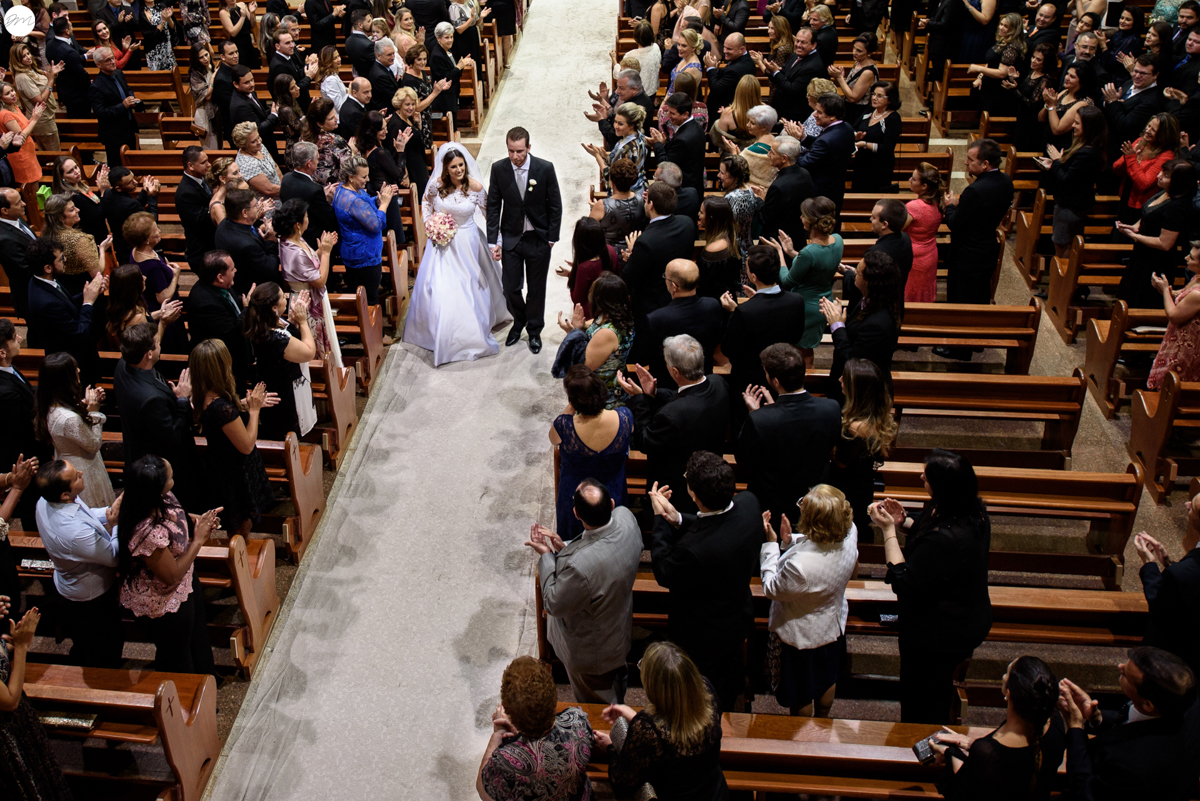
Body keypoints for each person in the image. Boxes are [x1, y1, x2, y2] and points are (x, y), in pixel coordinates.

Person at [869, 449, 993, 723]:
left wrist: (888, 530)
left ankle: (923, 736)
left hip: (939, 633)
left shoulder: (945, 540)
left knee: (923, 698)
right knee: (936, 686)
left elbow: (903, 579)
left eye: (927, 475)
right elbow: (932, 530)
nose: (921, 476)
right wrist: (903, 522)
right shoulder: (971, 511)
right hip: (965, 615)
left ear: (943, 487)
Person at [646, 451, 761, 713]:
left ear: (694, 495)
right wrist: (677, 518)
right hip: (738, 615)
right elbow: (719, 522)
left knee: (702, 696)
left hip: (703, 633)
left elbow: (663, 571)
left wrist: (659, 519)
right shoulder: (749, 504)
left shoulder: (692, 551)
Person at [529, 476, 641, 702]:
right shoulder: (626, 518)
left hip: (592, 652)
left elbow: (553, 602)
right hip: (618, 630)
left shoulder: (580, 568)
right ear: (611, 504)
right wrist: (566, 547)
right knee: (617, 683)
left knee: (600, 709)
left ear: (576, 514)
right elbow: (601, 546)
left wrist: (547, 556)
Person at [759, 484, 857, 716]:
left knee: (801, 692)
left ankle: (803, 736)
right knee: (827, 678)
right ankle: (823, 720)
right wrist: (790, 540)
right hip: (831, 626)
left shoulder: (800, 566)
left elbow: (772, 588)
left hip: (801, 637)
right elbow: (823, 541)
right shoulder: (850, 532)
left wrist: (772, 545)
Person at [117, 455, 219, 674]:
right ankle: (186, 695)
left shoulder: (158, 495)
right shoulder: (147, 532)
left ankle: (208, 681)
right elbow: (171, 576)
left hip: (186, 580)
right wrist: (199, 540)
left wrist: (201, 520)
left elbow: (176, 514)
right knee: (177, 658)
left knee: (198, 638)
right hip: (164, 603)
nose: (174, 477)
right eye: (170, 476)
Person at [1058, 647, 1200, 800]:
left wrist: (1075, 727)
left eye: (1125, 674)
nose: (1120, 666)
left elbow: (1082, 791)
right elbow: (1134, 724)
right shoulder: (1187, 702)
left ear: (1148, 704)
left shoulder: (1129, 767)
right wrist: (1097, 719)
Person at [600, 641, 727, 800]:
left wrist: (611, 748)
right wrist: (634, 716)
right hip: (715, 793)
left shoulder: (647, 727)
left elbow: (623, 783)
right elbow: (678, 729)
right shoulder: (707, 691)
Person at [621, 336, 731, 517]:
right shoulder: (718, 384)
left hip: (678, 487)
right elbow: (688, 397)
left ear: (675, 372)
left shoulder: (671, 415)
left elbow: (644, 441)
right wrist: (654, 393)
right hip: (710, 470)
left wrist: (639, 399)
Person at [33, 456, 124, 670]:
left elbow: (85, 515)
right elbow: (113, 557)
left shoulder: (46, 501)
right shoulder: (73, 533)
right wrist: (115, 525)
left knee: (84, 641)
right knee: (104, 646)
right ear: (65, 494)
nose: (81, 473)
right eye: (76, 477)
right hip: (90, 597)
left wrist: (109, 511)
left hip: (68, 585)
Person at [932, 656, 1066, 801]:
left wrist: (950, 753)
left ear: (1009, 693)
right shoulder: (1056, 723)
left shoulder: (987, 754)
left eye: (1007, 672)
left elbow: (965, 791)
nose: (1003, 676)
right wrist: (972, 744)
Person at [486, 127, 564, 354]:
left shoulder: (544, 168)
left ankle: (535, 330)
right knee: (511, 287)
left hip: (538, 238)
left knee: (536, 289)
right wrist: (493, 240)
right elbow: (493, 206)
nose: (515, 156)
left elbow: (555, 205)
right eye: (511, 151)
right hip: (511, 238)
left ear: (529, 148)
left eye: (519, 151)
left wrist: (551, 238)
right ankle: (519, 321)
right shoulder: (499, 169)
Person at [113, 322, 205, 512]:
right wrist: (182, 400)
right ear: (149, 354)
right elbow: (174, 437)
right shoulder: (150, 399)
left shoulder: (123, 365)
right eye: (157, 342)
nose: (160, 343)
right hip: (162, 462)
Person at [190, 339, 277, 536]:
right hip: (234, 471)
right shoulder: (221, 408)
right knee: (241, 524)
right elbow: (246, 445)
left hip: (221, 465)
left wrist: (244, 403)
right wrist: (254, 410)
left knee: (240, 522)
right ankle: (238, 554)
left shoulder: (203, 396)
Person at [476, 657, 595, 801]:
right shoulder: (578, 721)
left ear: (511, 714)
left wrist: (498, 734)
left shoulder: (503, 762)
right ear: (553, 695)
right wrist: (520, 733)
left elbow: (483, 790)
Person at [549, 365, 634, 542]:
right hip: (612, 494)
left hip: (576, 498)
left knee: (572, 544)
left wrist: (571, 406)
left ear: (573, 400)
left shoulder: (564, 425)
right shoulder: (624, 417)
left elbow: (553, 439)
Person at [0, 606, 74, 800]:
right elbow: (9, 700)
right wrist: (22, 646)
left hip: (20, 726)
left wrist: (10, 644)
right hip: (6, 742)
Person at [942, 139, 1014, 328]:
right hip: (987, 248)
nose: (966, 162)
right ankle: (977, 334)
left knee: (961, 299)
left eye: (970, 159)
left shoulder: (975, 190)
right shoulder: (1006, 181)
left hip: (967, 253)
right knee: (980, 295)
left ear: (985, 164)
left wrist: (950, 206)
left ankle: (959, 340)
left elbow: (954, 224)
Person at [622, 183, 696, 362]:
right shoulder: (687, 223)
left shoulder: (645, 241)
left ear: (651, 204)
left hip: (652, 304)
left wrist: (633, 255)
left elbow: (627, 279)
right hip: (681, 296)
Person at [720, 245, 807, 395]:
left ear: (753, 277)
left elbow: (728, 349)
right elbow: (796, 337)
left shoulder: (744, 311)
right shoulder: (796, 300)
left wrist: (735, 312)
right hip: (784, 375)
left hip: (751, 382)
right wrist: (756, 301)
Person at [35, 352, 115, 509]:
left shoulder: (49, 403)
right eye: (74, 369)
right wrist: (94, 412)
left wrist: (85, 405)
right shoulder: (69, 419)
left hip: (67, 460)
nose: (78, 370)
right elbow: (93, 444)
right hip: (82, 467)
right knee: (92, 509)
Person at [827, 358, 895, 537]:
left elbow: (841, 462)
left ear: (856, 388)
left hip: (847, 488)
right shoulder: (875, 414)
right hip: (862, 483)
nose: (840, 379)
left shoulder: (856, 428)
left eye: (844, 378)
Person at [1134, 491, 1200, 676]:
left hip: (1180, 657)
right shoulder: (1183, 571)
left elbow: (1160, 609)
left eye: (1192, 507)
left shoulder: (1182, 574)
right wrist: (1169, 563)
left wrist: (1149, 564)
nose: (1186, 504)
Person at [1116, 159, 1196, 308]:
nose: (1159, 176)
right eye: (1161, 172)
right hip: (1141, 255)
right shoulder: (1164, 192)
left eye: (1165, 175)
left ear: (1179, 182)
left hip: (1156, 262)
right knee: (1128, 295)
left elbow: (1165, 244)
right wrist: (1134, 227)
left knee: (1142, 301)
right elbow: (1149, 213)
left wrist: (1135, 236)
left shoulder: (1177, 208)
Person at [25, 237, 105, 386]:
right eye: (61, 258)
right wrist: (88, 302)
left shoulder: (40, 280)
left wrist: (89, 292)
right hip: (73, 363)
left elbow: (65, 304)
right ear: (48, 268)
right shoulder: (46, 303)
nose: (65, 260)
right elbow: (80, 332)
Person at [242, 282, 317, 440]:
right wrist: (303, 322)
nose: (286, 298)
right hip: (284, 390)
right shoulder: (276, 339)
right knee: (286, 430)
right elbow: (309, 352)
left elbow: (287, 334)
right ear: (274, 308)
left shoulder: (261, 323)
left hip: (274, 381)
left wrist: (293, 320)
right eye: (283, 297)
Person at [774, 196, 842, 368]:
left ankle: (805, 381)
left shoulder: (809, 252)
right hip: (824, 301)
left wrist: (780, 254)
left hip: (806, 307)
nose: (801, 218)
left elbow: (787, 281)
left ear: (812, 221)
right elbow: (817, 264)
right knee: (804, 350)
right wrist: (792, 252)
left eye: (803, 215)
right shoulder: (838, 240)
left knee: (801, 352)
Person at [822, 250, 904, 389]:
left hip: (861, 390)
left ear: (869, 282)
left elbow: (853, 361)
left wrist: (837, 325)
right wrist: (840, 317)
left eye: (857, 273)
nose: (854, 274)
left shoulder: (877, 324)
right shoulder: (871, 298)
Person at [277, 198, 342, 366]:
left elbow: (309, 266)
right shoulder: (294, 251)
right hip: (307, 303)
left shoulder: (295, 239)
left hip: (311, 298)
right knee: (316, 347)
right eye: (306, 216)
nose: (308, 218)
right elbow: (319, 281)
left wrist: (322, 249)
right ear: (298, 224)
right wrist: (326, 253)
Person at [557, 272, 636, 409]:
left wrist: (573, 332)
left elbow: (584, 367)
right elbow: (595, 324)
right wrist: (581, 325)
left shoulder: (606, 334)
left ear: (599, 298)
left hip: (600, 397)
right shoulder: (618, 315)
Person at [0, 321, 50, 530]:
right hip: (26, 458)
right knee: (33, 503)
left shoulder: (7, 369)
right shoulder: (6, 393)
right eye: (14, 338)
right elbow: (21, 432)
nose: (20, 338)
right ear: (2, 352)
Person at [1044, 104, 1107, 259]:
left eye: (1077, 123)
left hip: (1070, 207)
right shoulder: (1088, 147)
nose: (1073, 125)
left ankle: (1063, 274)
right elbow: (1073, 173)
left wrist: (1057, 161)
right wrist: (1055, 164)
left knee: (1063, 245)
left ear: (1089, 127)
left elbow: (1067, 179)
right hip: (1072, 205)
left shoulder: (1087, 153)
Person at [333, 156, 394, 308]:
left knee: (360, 297)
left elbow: (363, 208)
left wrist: (377, 199)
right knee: (368, 301)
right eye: (364, 176)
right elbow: (376, 225)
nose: (368, 179)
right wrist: (384, 204)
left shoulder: (344, 189)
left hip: (353, 252)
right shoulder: (354, 200)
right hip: (364, 256)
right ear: (351, 177)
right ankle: (371, 325)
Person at [185, 251, 252, 387]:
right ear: (220, 277)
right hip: (220, 365)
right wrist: (247, 309)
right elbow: (232, 332)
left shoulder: (220, 285)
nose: (235, 270)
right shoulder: (205, 303)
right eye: (232, 269)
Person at [125, 212, 189, 353]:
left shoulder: (136, 250)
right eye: (155, 230)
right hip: (164, 311)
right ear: (146, 240)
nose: (159, 231)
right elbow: (163, 297)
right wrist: (176, 276)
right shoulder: (152, 267)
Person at [1147, 241, 1200, 388]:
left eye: (1191, 257)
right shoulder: (1197, 278)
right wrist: (1164, 289)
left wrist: (1165, 291)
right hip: (1178, 338)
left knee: (1173, 383)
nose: (1186, 258)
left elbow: (1174, 315)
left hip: (1187, 347)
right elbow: (1180, 295)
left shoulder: (1198, 295)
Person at [1114, 113, 1180, 228]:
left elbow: (1144, 184)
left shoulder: (1166, 156)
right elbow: (1116, 169)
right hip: (1126, 198)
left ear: (1164, 135)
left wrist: (1131, 158)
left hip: (1141, 207)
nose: (1148, 131)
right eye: (1149, 126)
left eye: (1153, 130)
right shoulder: (1140, 142)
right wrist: (1127, 157)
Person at [796, 93, 856, 211]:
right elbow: (824, 148)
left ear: (832, 116)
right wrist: (803, 138)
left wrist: (794, 148)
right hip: (836, 189)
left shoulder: (826, 140)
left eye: (819, 112)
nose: (814, 115)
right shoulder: (846, 128)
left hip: (820, 193)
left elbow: (804, 164)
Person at [755, 26, 825, 125]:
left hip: (794, 116)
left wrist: (776, 72)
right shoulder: (796, 55)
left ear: (814, 45)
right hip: (783, 110)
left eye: (803, 42)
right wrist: (774, 70)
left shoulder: (812, 67)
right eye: (797, 41)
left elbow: (792, 90)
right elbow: (783, 74)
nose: (799, 45)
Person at [41, 193, 106, 298]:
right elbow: (97, 273)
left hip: (64, 289)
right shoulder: (80, 240)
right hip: (85, 292)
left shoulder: (47, 234)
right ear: (60, 218)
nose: (78, 210)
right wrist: (102, 249)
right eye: (72, 210)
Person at [1102, 55, 1165, 164]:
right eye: (1135, 71)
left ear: (1155, 75)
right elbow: (1108, 100)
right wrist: (1108, 102)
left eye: (1143, 73)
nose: (1137, 76)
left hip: (1118, 151)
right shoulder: (1129, 83)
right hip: (1104, 142)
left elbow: (1125, 126)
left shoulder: (1152, 101)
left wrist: (1113, 102)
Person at [280, 141, 340, 252]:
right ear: (309, 163)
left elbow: (303, 197)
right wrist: (329, 200)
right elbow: (330, 219)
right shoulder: (314, 190)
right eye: (317, 159)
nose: (318, 162)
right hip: (312, 243)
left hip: (291, 238)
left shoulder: (286, 178)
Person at [756, 134, 815, 247]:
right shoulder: (805, 174)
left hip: (778, 242)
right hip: (798, 238)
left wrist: (760, 200)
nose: (768, 155)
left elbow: (765, 219)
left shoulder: (778, 186)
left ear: (784, 158)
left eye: (772, 153)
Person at [89, 47, 141, 169]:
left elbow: (127, 89)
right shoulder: (96, 86)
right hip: (114, 134)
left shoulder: (118, 74)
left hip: (129, 127)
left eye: (113, 58)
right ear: (98, 64)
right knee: (117, 168)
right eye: (108, 60)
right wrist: (123, 105)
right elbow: (101, 113)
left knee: (134, 163)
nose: (112, 62)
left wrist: (132, 99)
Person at [649, 92, 706, 196]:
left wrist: (657, 144)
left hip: (684, 191)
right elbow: (679, 154)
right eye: (668, 111)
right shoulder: (696, 127)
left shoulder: (682, 139)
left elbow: (666, 166)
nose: (668, 116)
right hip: (695, 186)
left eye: (672, 113)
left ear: (685, 114)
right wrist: (664, 143)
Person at [585, 102, 648, 195]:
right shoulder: (640, 136)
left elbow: (610, 176)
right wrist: (605, 155)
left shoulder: (625, 149)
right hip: (640, 186)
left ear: (631, 125)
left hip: (626, 194)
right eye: (615, 122)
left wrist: (597, 156)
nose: (616, 126)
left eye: (620, 124)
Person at [904, 162, 946, 302]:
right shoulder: (937, 202)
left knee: (910, 294)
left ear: (924, 186)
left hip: (914, 257)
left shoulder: (915, 207)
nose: (910, 180)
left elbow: (897, 228)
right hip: (930, 253)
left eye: (914, 179)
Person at [851, 81, 903, 193]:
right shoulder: (870, 110)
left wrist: (865, 144)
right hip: (862, 162)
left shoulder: (893, 119)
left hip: (880, 166)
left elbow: (887, 148)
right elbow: (854, 128)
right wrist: (856, 136)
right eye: (873, 94)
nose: (874, 98)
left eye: (880, 96)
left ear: (890, 100)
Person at [558, 217, 616, 316]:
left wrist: (570, 275)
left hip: (590, 314)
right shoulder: (611, 251)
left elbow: (577, 299)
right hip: (610, 308)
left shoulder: (584, 268)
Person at [103, 166, 160, 264]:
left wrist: (144, 191)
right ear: (118, 188)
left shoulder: (108, 193)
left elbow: (134, 204)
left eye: (133, 178)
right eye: (130, 182)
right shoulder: (130, 205)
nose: (135, 182)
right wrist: (152, 197)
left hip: (119, 243)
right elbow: (150, 222)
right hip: (131, 248)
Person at [9, 42, 60, 151]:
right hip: (42, 120)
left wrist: (51, 76)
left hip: (47, 116)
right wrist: (51, 80)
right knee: (54, 153)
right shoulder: (22, 77)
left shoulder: (31, 70)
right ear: (17, 60)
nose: (28, 57)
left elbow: (46, 85)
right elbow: (40, 100)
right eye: (24, 56)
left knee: (47, 151)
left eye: (28, 53)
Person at [52, 157, 110, 249]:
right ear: (62, 177)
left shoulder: (80, 186)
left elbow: (95, 204)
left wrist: (101, 191)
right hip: (94, 240)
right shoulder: (73, 197)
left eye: (76, 167)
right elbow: (97, 217)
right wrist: (103, 191)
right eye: (70, 171)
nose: (76, 172)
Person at [228, 66, 282, 164]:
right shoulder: (240, 105)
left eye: (252, 80)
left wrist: (271, 111)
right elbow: (258, 129)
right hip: (258, 149)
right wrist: (273, 115)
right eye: (246, 82)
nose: (252, 84)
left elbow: (259, 114)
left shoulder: (249, 93)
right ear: (236, 84)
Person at [176, 146, 216, 273]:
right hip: (201, 252)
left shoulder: (202, 178)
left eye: (208, 160)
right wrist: (218, 200)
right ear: (191, 166)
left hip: (211, 245)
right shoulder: (185, 193)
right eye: (204, 162)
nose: (209, 165)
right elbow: (202, 221)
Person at [721, 103, 779, 190]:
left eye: (752, 123)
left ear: (764, 127)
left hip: (753, 192)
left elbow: (739, 170)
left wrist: (733, 152)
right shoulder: (776, 141)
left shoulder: (754, 149)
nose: (747, 125)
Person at [696, 196, 741, 300]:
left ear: (711, 218)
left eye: (702, 212)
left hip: (714, 301)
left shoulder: (714, 249)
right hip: (728, 297)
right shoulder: (730, 237)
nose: (698, 215)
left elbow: (704, 281)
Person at [0, 83, 44, 185]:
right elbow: (21, 136)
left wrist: (34, 116)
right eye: (7, 93)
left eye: (12, 90)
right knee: (30, 185)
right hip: (21, 155)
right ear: (1, 98)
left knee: (35, 182)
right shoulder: (5, 114)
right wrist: (35, 119)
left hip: (28, 151)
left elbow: (24, 127)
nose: (12, 94)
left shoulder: (14, 107)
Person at [49, 17, 92, 117]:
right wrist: (89, 84)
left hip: (64, 89)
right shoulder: (68, 51)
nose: (72, 27)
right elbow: (81, 73)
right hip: (77, 94)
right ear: (67, 31)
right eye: (71, 26)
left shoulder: (50, 44)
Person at [219, 0, 260, 69]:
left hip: (249, 44)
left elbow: (252, 25)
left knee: (255, 68)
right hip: (238, 47)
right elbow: (233, 33)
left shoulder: (242, 5)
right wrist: (242, 17)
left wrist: (251, 13)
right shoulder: (223, 12)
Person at [139, 0, 177, 70]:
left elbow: (173, 28)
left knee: (171, 71)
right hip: (154, 50)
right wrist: (163, 21)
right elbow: (150, 36)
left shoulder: (162, 6)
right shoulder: (142, 13)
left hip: (167, 47)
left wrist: (168, 18)